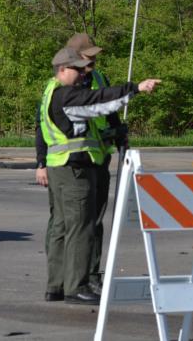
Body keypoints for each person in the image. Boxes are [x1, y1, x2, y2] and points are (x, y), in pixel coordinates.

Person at [35, 46, 160, 304]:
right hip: (75, 170)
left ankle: (57, 285)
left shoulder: (55, 93)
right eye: (77, 70)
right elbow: (99, 102)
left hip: (63, 167)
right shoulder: (67, 96)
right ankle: (76, 286)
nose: (83, 74)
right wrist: (135, 88)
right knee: (81, 228)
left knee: (62, 226)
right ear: (62, 70)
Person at [67, 33, 124, 295]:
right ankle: (71, 279)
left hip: (99, 156)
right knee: (78, 223)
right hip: (75, 161)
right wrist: (41, 162)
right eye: (90, 56)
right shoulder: (65, 83)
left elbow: (110, 112)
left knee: (97, 219)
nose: (94, 61)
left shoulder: (100, 79)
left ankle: (92, 274)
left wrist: (119, 132)